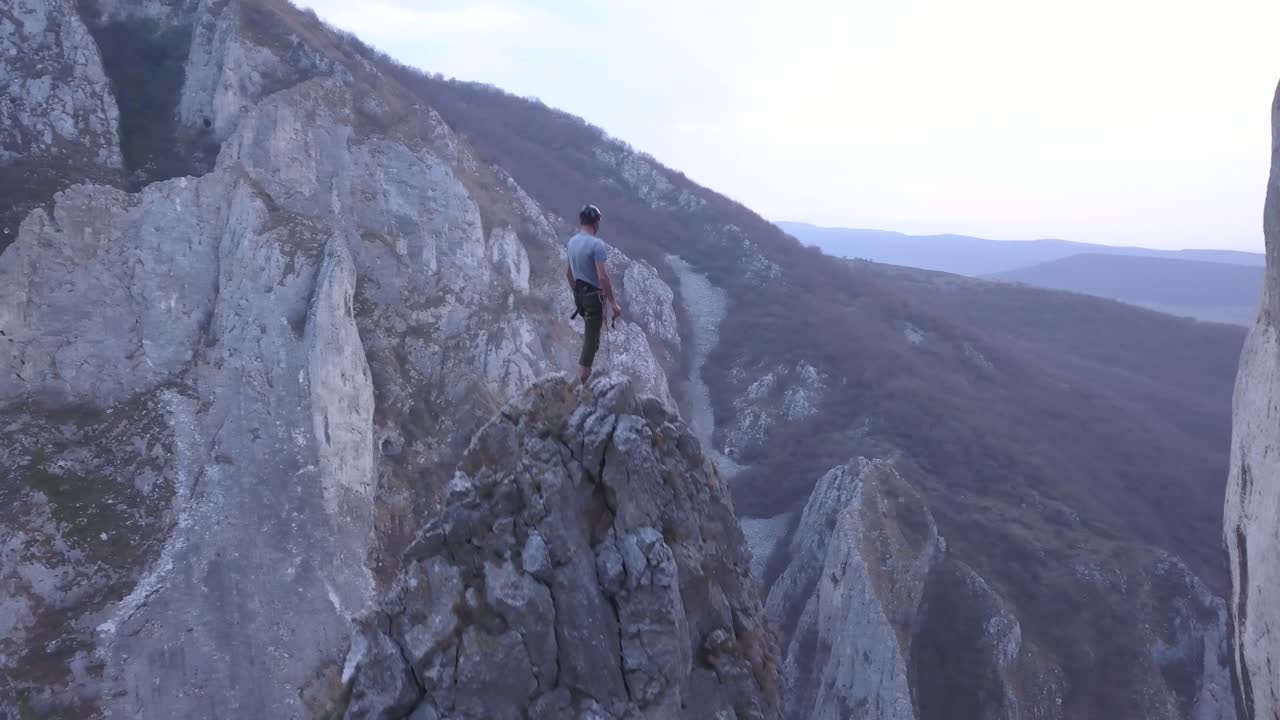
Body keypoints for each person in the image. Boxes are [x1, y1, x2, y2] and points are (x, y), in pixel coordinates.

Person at [566, 204, 623, 382]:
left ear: (581, 221)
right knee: (591, 340)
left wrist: (576, 292)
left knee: (592, 335)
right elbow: (603, 278)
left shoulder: (572, 242)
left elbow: (568, 273)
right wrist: (613, 303)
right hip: (593, 296)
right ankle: (582, 380)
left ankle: (584, 374)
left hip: (580, 296)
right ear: (596, 222)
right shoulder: (597, 245)